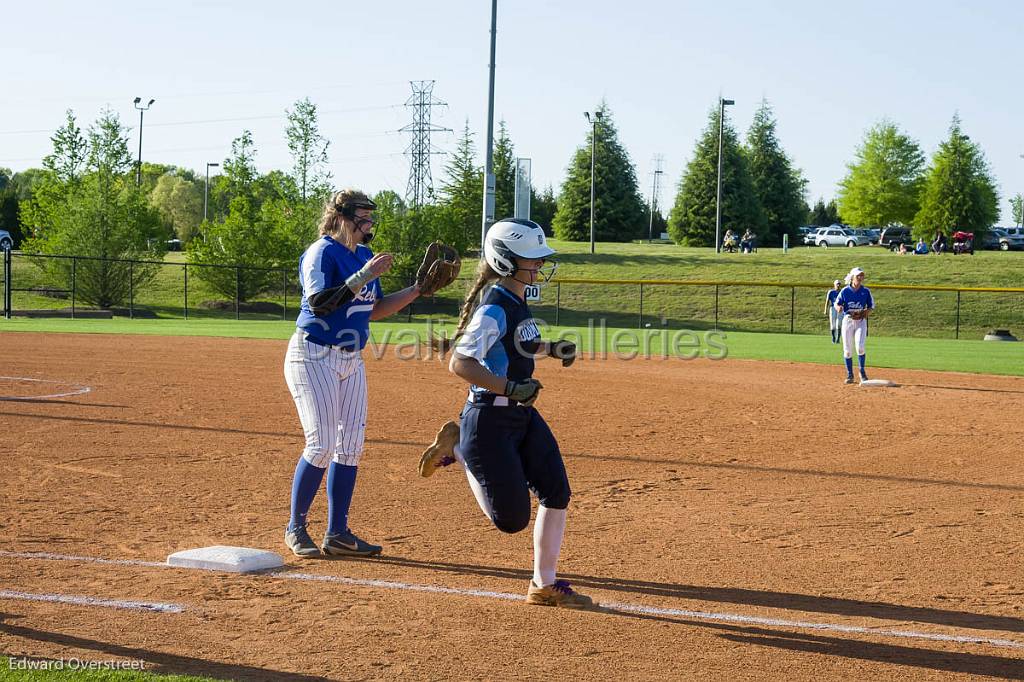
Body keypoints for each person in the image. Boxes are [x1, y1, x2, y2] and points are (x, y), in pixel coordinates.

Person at [416, 218, 594, 609]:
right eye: (530, 260)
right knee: (510, 521)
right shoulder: (495, 306)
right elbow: (460, 363)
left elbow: (515, 347)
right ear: (505, 261)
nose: (538, 266)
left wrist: (549, 348)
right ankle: (459, 447)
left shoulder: (515, 299)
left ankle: (543, 585)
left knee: (556, 491)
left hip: (521, 416)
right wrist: (511, 387)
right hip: (488, 420)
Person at [283, 189, 425, 559]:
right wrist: (365, 274)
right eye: (364, 216)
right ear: (343, 216)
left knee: (350, 447)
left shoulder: (364, 256)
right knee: (321, 443)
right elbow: (320, 303)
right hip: (313, 355)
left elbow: (372, 309)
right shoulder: (322, 252)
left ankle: (338, 533)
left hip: (351, 359)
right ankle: (295, 527)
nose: (370, 223)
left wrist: (416, 290)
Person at [834, 266, 874, 384]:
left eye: (862, 275)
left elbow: (871, 306)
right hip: (848, 321)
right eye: (858, 275)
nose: (860, 277)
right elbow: (837, 304)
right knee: (847, 351)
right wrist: (839, 308)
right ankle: (850, 375)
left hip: (861, 321)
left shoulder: (865, 291)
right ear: (852, 278)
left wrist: (867, 311)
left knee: (860, 347)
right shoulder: (845, 291)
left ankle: (862, 372)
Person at [824, 279, 843, 344]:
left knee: (839, 324)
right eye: (837, 284)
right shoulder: (831, 292)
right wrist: (825, 310)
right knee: (833, 325)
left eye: (839, 284)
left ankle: (838, 339)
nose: (838, 285)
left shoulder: (842, 292)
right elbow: (827, 301)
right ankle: (833, 337)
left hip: (840, 308)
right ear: (834, 285)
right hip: (833, 308)